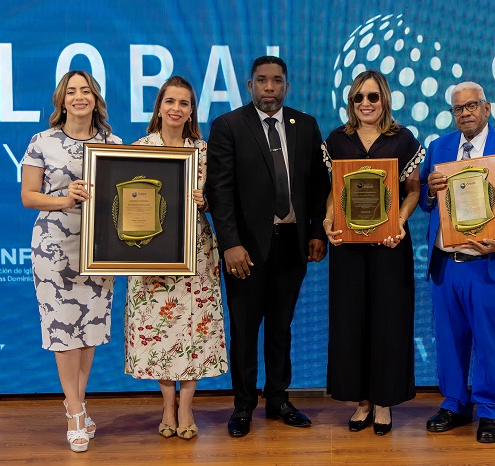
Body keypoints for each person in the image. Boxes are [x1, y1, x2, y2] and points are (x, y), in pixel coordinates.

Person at [207, 55, 330, 437]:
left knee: (281, 327)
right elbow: (220, 190)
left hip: (292, 244)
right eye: (262, 80)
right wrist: (230, 243)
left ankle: (278, 399)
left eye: (277, 81)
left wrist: (317, 232)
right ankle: (243, 406)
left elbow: (318, 186)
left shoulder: (305, 125)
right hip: (245, 251)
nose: (270, 88)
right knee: (245, 331)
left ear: (286, 86)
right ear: (250, 85)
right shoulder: (228, 125)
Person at [419, 81, 495, 444]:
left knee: (488, 341)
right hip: (447, 263)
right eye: (458, 108)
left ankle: (490, 409)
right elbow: (425, 201)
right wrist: (429, 190)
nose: (465, 113)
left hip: (489, 263)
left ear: (487, 108)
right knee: (449, 340)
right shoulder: (438, 147)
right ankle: (454, 403)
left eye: (472, 106)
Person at [21, 70, 121, 452]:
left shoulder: (113, 143)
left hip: (100, 249)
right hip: (55, 245)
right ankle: (75, 413)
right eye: (72, 92)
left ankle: (76, 402)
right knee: (63, 330)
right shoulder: (42, 141)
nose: (79, 97)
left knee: (89, 330)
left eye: (86, 91)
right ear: (62, 100)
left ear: (95, 98)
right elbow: (29, 196)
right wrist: (65, 198)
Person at [124, 76, 227, 439]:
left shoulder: (204, 151)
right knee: (160, 330)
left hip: (195, 253)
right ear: (159, 107)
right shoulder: (138, 149)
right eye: (170, 101)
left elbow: (222, 200)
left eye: (184, 103)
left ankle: (186, 406)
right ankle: (168, 405)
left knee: (194, 329)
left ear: (192, 111)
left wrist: (206, 200)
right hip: (150, 252)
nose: (176, 109)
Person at [322, 70, 424, 435]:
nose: (365, 103)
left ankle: (383, 402)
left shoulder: (403, 139)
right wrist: (328, 220)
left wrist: (399, 220)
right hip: (348, 248)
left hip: (389, 245)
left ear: (385, 100)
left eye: (373, 97)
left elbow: (414, 189)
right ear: (351, 102)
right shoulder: (337, 139)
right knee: (351, 321)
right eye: (358, 98)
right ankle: (362, 400)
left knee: (388, 321)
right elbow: (334, 191)